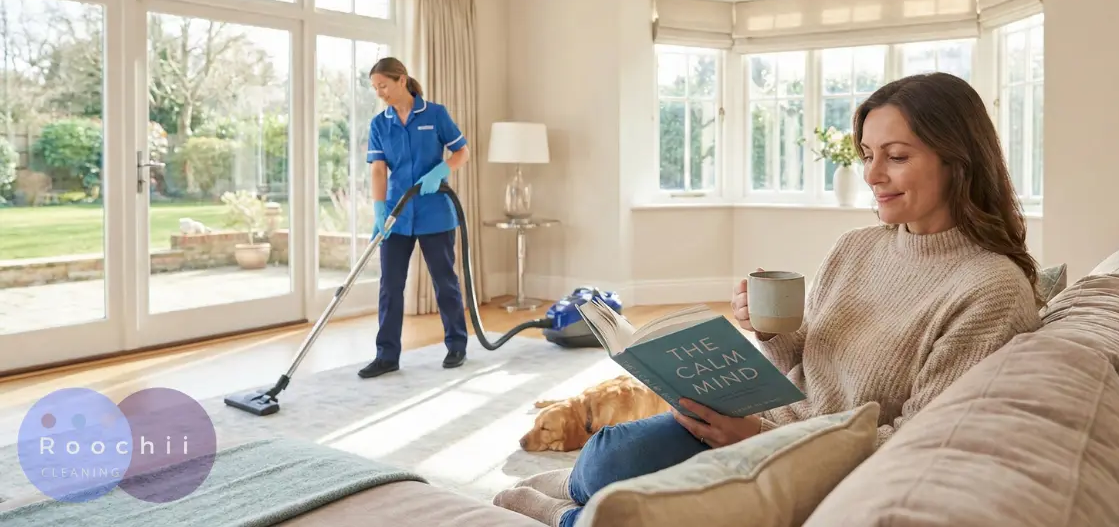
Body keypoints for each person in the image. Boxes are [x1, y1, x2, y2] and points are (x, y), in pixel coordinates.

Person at [492, 72, 1044, 527]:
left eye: (896, 156)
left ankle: (567, 516)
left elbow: (919, 442)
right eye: (867, 154)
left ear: (959, 161)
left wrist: (762, 438)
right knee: (609, 454)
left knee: (613, 475)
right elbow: (808, 365)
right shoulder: (856, 247)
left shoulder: (989, 289)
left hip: (803, 458)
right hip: (760, 423)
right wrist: (773, 333)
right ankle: (580, 498)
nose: (873, 175)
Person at [356, 57, 472, 379]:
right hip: (396, 213)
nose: (380, 93)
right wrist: (379, 210)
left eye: (384, 85)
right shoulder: (381, 124)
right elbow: (378, 169)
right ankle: (387, 355)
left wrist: (442, 169)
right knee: (390, 286)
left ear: (401, 80)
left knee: (444, 281)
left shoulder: (435, 114)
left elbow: (462, 151)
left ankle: (457, 345)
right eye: (375, 87)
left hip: (434, 209)